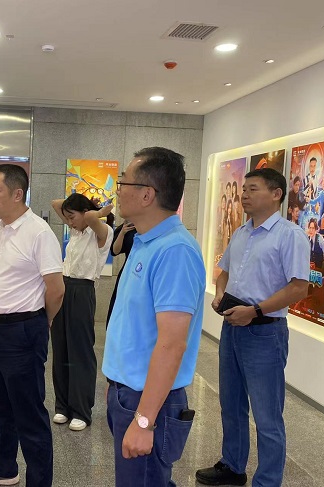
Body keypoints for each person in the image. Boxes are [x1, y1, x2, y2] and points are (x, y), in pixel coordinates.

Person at [196, 168, 309, 487]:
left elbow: (299, 287)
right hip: (233, 327)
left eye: (252, 189)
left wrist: (255, 310)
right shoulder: (241, 232)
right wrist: (220, 293)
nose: (244, 194)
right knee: (231, 404)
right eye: (243, 189)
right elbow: (224, 272)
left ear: (276, 194)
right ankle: (232, 466)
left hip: (265, 332)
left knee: (267, 415)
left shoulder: (290, 235)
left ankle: (267, 481)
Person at [103, 147, 206, 486]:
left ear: (147, 195)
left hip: (149, 402)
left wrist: (144, 420)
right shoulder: (145, 241)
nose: (118, 190)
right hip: (128, 393)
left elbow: (172, 344)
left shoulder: (175, 251)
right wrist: (114, 384)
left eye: (123, 182)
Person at [0, 164, 65, 487]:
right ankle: (5, 467)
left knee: (29, 414)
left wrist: (41, 323)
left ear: (17, 193)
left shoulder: (39, 233)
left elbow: (56, 289)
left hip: (22, 331)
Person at [50, 194, 113, 431]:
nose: (69, 222)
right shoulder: (76, 231)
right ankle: (62, 406)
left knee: (80, 352)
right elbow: (56, 203)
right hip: (63, 287)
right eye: (67, 218)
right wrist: (84, 212)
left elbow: (90, 217)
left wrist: (98, 212)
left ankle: (81, 411)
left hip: (82, 291)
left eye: (72, 217)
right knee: (61, 348)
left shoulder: (102, 232)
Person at [105, 220, 137, 328]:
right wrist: (123, 232)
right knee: (118, 306)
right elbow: (115, 251)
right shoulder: (127, 227)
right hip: (127, 270)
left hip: (142, 272)